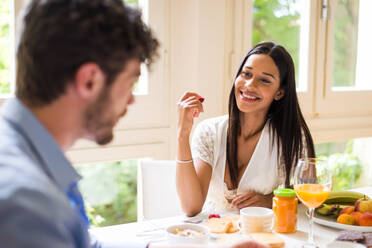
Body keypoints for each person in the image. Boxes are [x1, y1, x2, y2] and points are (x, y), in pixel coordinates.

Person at [0, 0, 267, 247]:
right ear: (90, 81)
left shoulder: (30, 154)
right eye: (130, 82)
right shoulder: (26, 204)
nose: (131, 101)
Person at [176, 42, 315, 216]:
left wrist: (270, 200)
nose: (249, 85)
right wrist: (182, 135)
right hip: (213, 234)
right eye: (246, 74)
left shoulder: (290, 136)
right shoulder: (209, 132)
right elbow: (191, 207)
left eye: (264, 80)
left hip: (261, 235)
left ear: (279, 92)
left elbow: (311, 191)